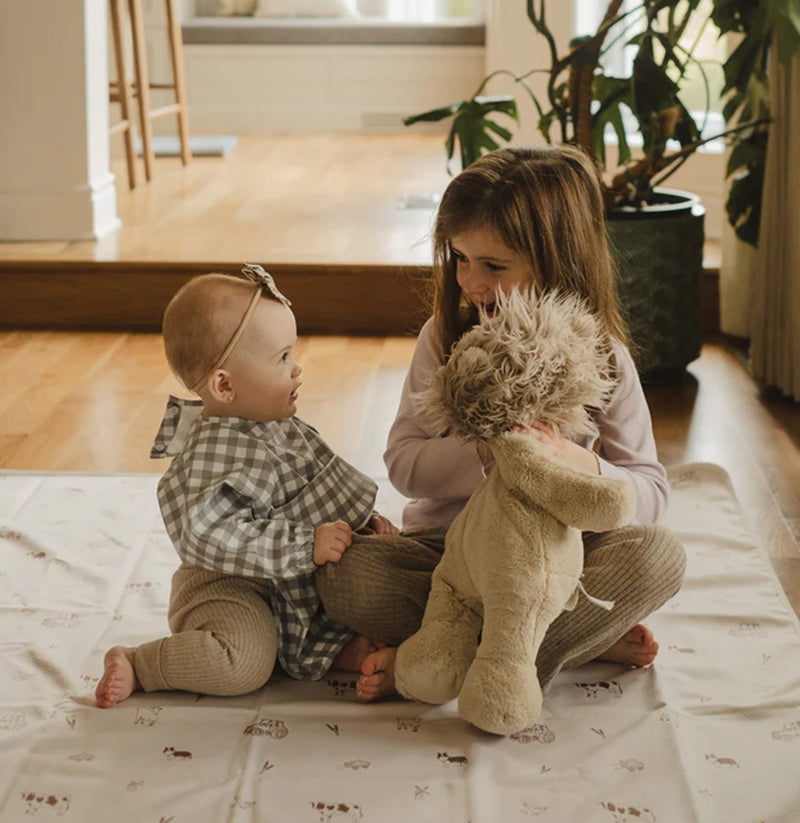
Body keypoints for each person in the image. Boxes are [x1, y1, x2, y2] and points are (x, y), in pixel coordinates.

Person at [316, 145, 687, 702]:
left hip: (555, 569)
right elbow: (403, 464)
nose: (470, 280)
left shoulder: (602, 357)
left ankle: (448, 661)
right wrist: (492, 451)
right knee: (346, 574)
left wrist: (576, 462)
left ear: (555, 260)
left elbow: (651, 490)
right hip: (450, 562)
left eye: (493, 265)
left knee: (659, 557)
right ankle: (554, 648)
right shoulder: (443, 340)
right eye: (460, 258)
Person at [96, 266, 399, 708]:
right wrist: (305, 545)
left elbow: (316, 484)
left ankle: (327, 649)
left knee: (374, 592)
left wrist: (362, 523)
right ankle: (141, 663)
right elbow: (211, 535)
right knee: (243, 661)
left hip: (289, 577)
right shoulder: (206, 459)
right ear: (224, 384)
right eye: (281, 358)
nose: (296, 369)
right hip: (228, 585)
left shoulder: (279, 426)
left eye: (292, 353)